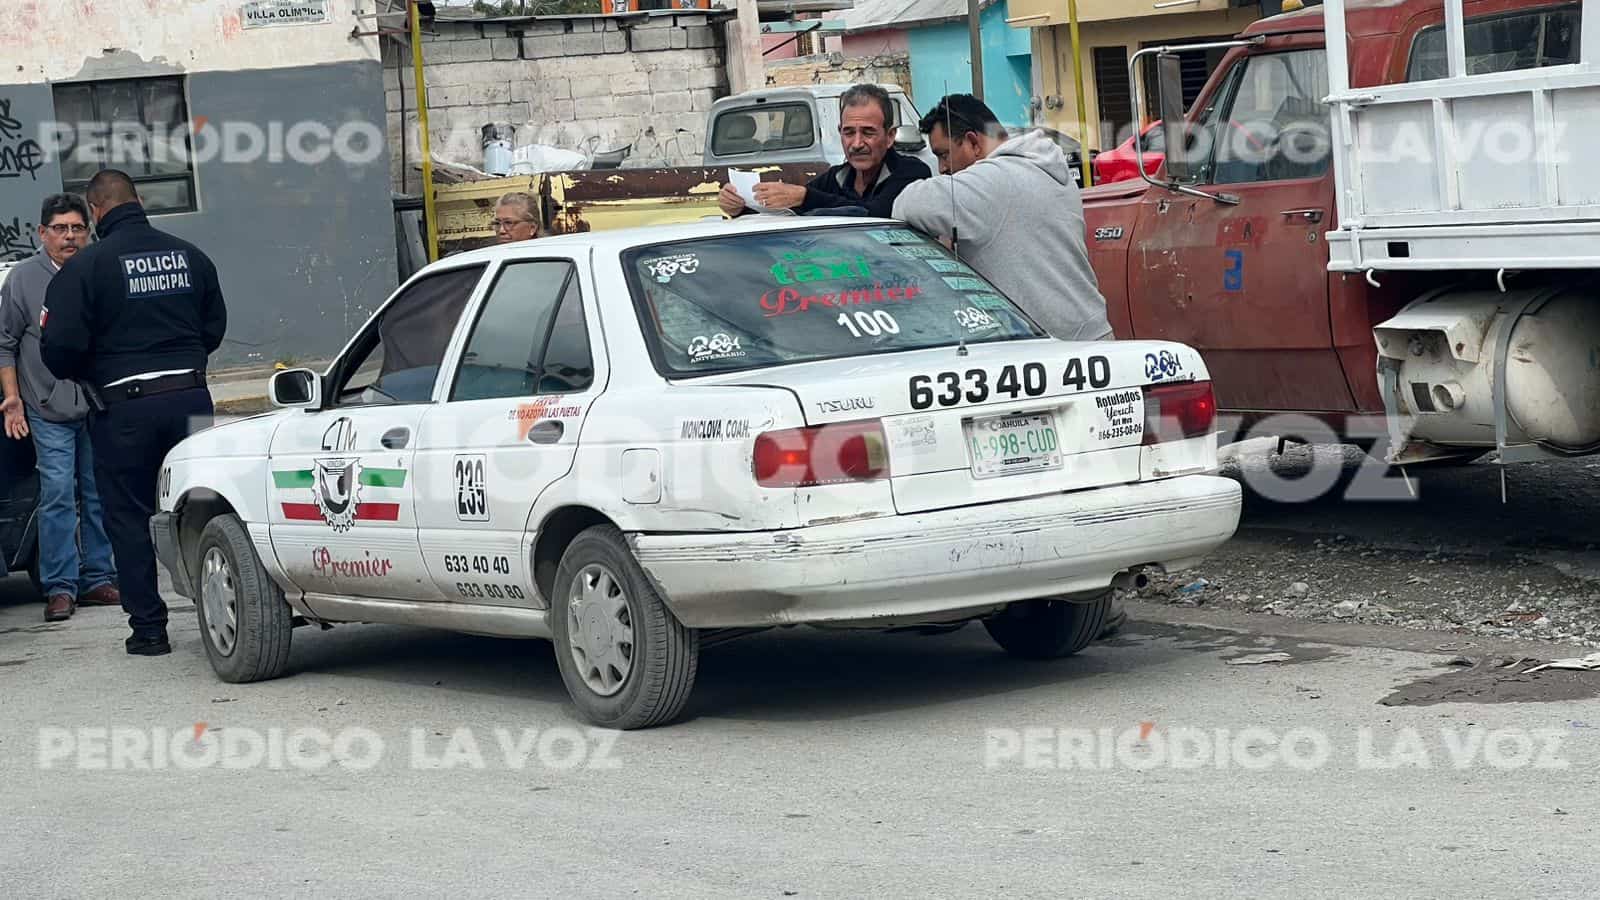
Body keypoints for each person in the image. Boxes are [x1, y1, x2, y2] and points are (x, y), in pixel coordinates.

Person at [40, 170, 225, 657]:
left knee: (128, 516)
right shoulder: (190, 255)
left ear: (95, 212)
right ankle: (224, 611)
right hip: (190, 401)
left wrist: (93, 371)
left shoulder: (86, 268)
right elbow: (214, 327)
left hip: (124, 409)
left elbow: (57, 351)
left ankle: (149, 630)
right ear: (138, 201)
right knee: (203, 507)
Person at [892, 93, 1112, 342]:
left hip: (1054, 349)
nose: (942, 168)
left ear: (973, 142)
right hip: (1090, 335)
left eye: (944, 154)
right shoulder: (1044, 167)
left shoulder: (993, 182)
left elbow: (906, 203)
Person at [0, 194, 120, 622]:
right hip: (46, 408)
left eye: (77, 228)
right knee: (56, 497)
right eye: (60, 228)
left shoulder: (99, 268)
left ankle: (99, 579)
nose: (69, 237)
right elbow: (5, 344)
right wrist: (12, 401)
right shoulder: (23, 279)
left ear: (87, 233)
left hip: (94, 405)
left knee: (97, 493)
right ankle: (60, 588)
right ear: (42, 233)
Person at [718, 83, 931, 219]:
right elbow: (789, 214)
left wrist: (805, 197)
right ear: (840, 132)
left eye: (868, 132)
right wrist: (740, 207)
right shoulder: (836, 177)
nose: (856, 143)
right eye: (848, 132)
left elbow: (873, 213)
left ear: (890, 136)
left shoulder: (912, 173)